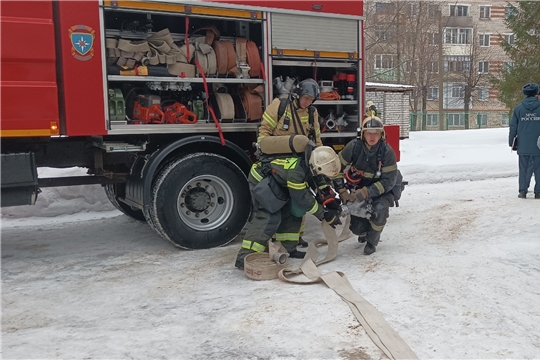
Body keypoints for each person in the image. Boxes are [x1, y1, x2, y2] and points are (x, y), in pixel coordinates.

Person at [234, 144, 342, 270]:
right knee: (269, 217)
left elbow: (318, 181)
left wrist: (328, 200)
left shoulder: (309, 162)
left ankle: (288, 248)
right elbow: (302, 199)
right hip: (262, 181)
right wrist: (323, 214)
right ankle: (245, 256)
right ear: (316, 167)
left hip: (280, 182)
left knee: (292, 213)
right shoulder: (296, 171)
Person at [259, 78, 324, 249]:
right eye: (306, 98)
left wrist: (320, 160)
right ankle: (274, 238)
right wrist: (264, 149)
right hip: (277, 162)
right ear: (297, 94)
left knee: (298, 202)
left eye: (311, 100)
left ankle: (295, 237)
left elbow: (316, 140)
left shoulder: (312, 113)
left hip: (298, 163)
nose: (307, 102)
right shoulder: (279, 106)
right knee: (278, 201)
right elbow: (264, 132)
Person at [333, 116, 398, 255]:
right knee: (356, 228)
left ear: (382, 134)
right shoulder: (353, 147)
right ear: (363, 134)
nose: (372, 136)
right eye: (369, 133)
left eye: (376, 133)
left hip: (381, 192)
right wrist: (342, 191)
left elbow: (389, 181)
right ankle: (363, 232)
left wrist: (368, 192)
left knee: (380, 211)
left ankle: (371, 241)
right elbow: (336, 168)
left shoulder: (387, 152)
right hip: (357, 192)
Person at [509, 83, 540, 199]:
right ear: (536, 93)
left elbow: (513, 127)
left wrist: (511, 141)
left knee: (523, 169)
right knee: (539, 169)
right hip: (539, 145)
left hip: (523, 144)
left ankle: (522, 191)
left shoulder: (518, 109)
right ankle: (538, 192)